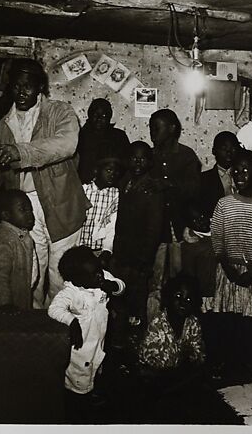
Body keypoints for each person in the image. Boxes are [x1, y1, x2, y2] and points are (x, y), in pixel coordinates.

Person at [0, 59, 90, 308]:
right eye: (16, 85)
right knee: (29, 276)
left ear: (40, 87)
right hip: (23, 211)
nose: (22, 91)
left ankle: (58, 328)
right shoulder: (3, 126)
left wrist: (19, 152)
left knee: (60, 276)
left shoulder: (60, 112)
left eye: (29, 85)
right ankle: (33, 332)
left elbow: (66, 144)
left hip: (62, 205)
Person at [210, 149, 252, 374]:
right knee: (228, 321)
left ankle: (251, 364)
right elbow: (217, 239)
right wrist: (228, 267)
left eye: (245, 170)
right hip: (228, 271)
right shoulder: (224, 204)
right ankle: (226, 362)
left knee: (251, 323)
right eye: (236, 170)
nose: (239, 174)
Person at [145, 109, 201, 317]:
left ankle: (180, 324)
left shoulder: (187, 156)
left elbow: (194, 189)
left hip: (180, 227)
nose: (152, 132)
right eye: (150, 128)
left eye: (156, 128)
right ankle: (153, 326)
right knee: (154, 278)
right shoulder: (148, 157)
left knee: (180, 277)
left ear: (172, 129)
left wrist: (167, 184)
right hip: (155, 228)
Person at [48, 246, 125, 396]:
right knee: (80, 379)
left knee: (98, 365)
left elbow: (121, 285)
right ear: (77, 281)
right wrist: (72, 321)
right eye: (93, 274)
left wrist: (113, 286)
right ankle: (78, 398)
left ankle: (94, 388)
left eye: (99, 270)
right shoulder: (71, 292)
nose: (99, 276)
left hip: (99, 339)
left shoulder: (102, 277)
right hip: (81, 347)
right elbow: (54, 309)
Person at [111, 141, 164, 329]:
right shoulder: (125, 181)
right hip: (121, 254)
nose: (138, 162)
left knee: (136, 303)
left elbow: (154, 230)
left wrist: (145, 259)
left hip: (139, 259)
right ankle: (120, 339)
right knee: (118, 301)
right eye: (133, 158)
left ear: (150, 162)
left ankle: (136, 342)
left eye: (142, 158)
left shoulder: (152, 190)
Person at [137, 274, 206, 372]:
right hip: (156, 378)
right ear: (168, 298)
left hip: (181, 375)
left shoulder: (192, 323)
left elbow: (199, 356)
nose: (183, 303)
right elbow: (155, 365)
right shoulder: (157, 326)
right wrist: (185, 355)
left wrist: (190, 358)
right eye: (178, 296)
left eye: (188, 299)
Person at [0, 189, 40, 312]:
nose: (30, 214)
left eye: (30, 210)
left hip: (22, 296)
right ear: (6, 215)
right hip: (9, 305)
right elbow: (0, 276)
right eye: (23, 210)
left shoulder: (21, 233)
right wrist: (4, 303)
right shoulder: (4, 238)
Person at [78, 151, 121, 265]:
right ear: (96, 171)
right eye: (108, 170)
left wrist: (107, 250)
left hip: (99, 251)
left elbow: (111, 227)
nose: (113, 174)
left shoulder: (115, 195)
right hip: (78, 248)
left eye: (116, 171)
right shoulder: (83, 190)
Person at [76, 98, 131, 185]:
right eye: (95, 114)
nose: (99, 119)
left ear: (109, 117)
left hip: (112, 187)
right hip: (83, 185)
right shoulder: (79, 136)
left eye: (104, 116)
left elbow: (127, 163)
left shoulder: (119, 136)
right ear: (89, 115)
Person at [180, 204, 216, 311]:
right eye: (195, 221)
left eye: (202, 217)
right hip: (204, 294)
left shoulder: (218, 228)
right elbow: (189, 274)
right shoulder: (190, 244)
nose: (200, 222)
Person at [199, 131, 240, 219]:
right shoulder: (203, 180)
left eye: (233, 148)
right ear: (214, 151)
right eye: (224, 148)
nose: (229, 152)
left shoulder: (245, 177)